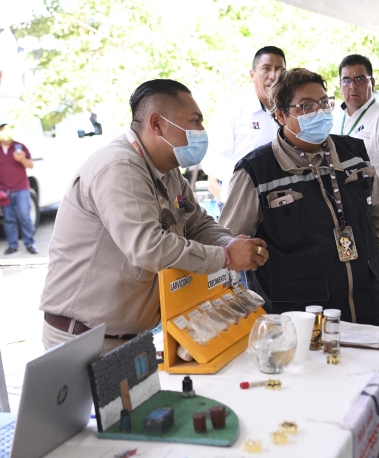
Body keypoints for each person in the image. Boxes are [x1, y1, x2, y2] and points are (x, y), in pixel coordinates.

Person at [40, 79, 268, 352]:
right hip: (82, 341)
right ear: (157, 124)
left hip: (128, 338)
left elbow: (196, 223)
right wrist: (227, 257)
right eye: (194, 121)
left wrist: (230, 242)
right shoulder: (119, 166)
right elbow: (149, 247)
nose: (201, 131)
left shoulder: (166, 168)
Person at [219, 68, 379, 326]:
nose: (320, 112)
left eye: (324, 103)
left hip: (367, 301)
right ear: (281, 115)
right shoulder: (255, 172)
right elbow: (232, 244)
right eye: (306, 106)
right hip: (302, 318)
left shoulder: (354, 153)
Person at [203, 46, 286, 205]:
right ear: (252, 74)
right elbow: (211, 160)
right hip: (243, 203)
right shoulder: (232, 111)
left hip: (284, 204)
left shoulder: (290, 111)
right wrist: (250, 171)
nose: (273, 76)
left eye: (279, 70)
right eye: (266, 69)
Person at [332, 54, 379, 216]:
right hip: (343, 214)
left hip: (373, 214)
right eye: (346, 80)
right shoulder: (335, 117)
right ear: (340, 85)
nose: (353, 86)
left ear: (372, 83)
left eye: (359, 79)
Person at [0, 124, 38, 255]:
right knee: (8, 219)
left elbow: (31, 165)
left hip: (21, 188)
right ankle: (13, 244)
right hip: (4, 191)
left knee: (25, 216)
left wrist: (22, 159)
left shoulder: (20, 147)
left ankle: (30, 243)